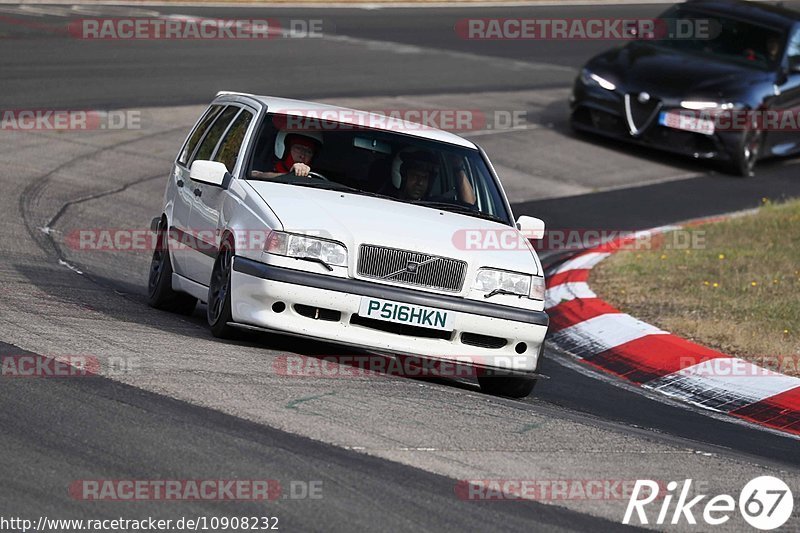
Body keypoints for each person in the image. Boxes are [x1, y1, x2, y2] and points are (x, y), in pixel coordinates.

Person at [395, 150, 476, 205]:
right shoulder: (387, 197)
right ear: (404, 176)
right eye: (415, 176)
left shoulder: (436, 205)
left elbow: (470, 205)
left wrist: (458, 167)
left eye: (425, 178)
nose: (420, 183)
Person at [251, 131, 321, 179]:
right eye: (298, 148)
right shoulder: (266, 165)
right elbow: (255, 174)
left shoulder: (317, 176)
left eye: (308, 152)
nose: (302, 156)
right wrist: (289, 175)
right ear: (285, 149)